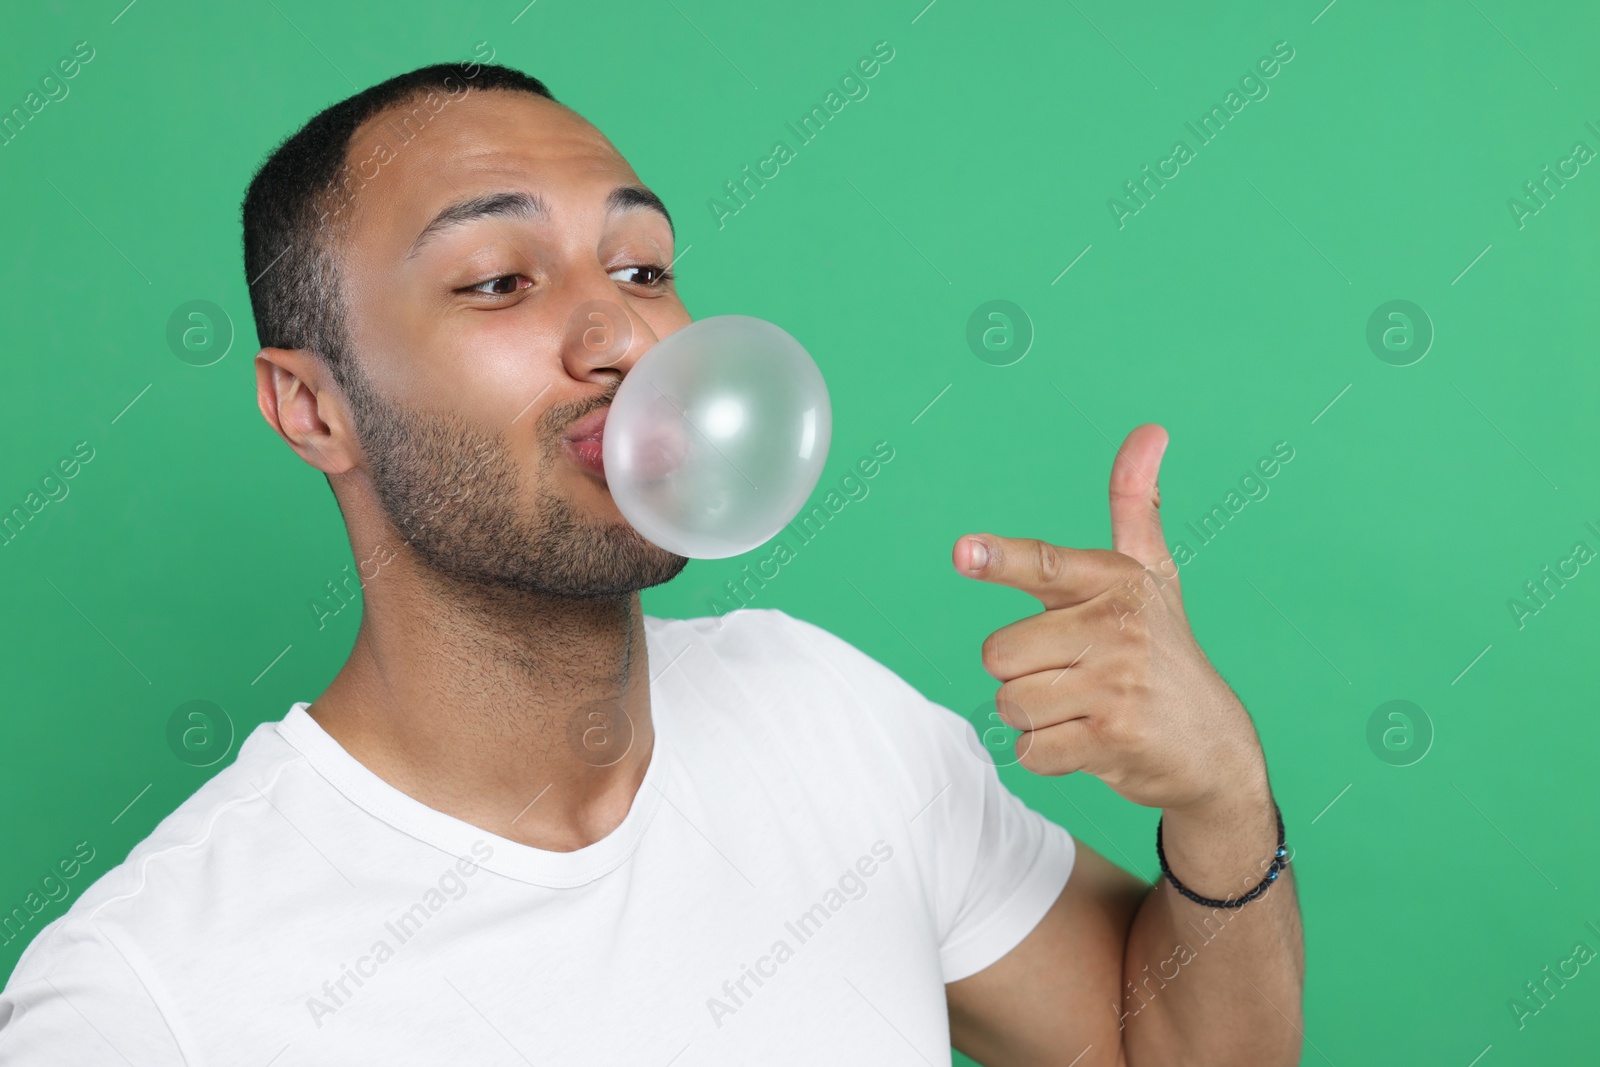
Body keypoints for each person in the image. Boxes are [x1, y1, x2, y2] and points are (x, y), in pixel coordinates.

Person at [0, 58, 1304, 1065]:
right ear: (311, 407)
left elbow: (1165, 1049)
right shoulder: (147, 997)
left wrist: (1224, 800)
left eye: (642, 263)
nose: (623, 332)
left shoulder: (829, 722)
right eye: (500, 280)